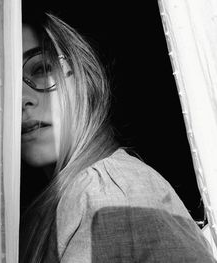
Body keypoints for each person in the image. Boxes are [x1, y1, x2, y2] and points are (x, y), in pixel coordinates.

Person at [19, 12, 216, 263]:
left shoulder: (109, 192)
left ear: (83, 76)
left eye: (41, 68)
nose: (21, 98)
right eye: (5, 84)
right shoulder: (55, 201)